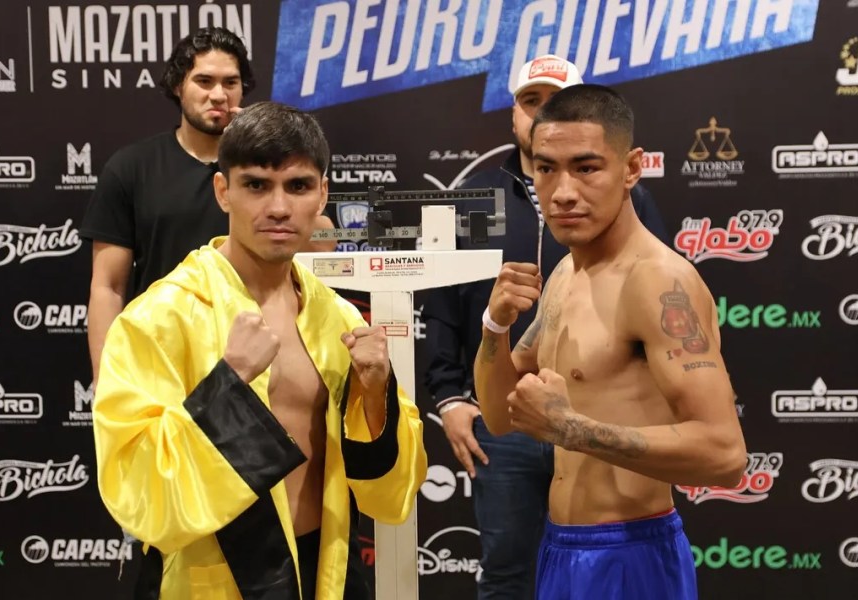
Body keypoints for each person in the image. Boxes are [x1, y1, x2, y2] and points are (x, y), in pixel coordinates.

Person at [92, 102, 427, 599]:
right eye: (256, 185)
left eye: (298, 186)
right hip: (213, 584)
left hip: (327, 573)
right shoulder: (159, 318)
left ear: (323, 194)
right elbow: (136, 492)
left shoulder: (338, 318)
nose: (278, 207)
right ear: (222, 191)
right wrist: (227, 384)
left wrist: (376, 396)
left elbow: (392, 493)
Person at [473, 84, 746, 599]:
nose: (562, 191)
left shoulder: (657, 282)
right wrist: (495, 325)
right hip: (561, 549)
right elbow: (499, 415)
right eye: (546, 168)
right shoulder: (565, 275)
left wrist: (571, 429)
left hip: (631, 555)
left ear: (632, 168)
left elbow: (726, 455)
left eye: (586, 167)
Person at [422, 55, 668, 598]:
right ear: (513, 113)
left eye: (556, 102)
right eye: (530, 101)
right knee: (506, 572)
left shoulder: (630, 201)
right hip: (505, 414)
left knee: (599, 564)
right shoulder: (470, 194)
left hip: (597, 412)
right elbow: (439, 304)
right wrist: (450, 397)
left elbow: (657, 309)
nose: (542, 113)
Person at [80, 26, 256, 382]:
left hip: (255, 354)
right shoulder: (132, 167)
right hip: (160, 359)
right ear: (178, 85)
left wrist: (262, 147)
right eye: (204, 81)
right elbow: (108, 286)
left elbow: (321, 242)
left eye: (230, 83)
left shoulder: (264, 167)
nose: (218, 95)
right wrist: (106, 378)